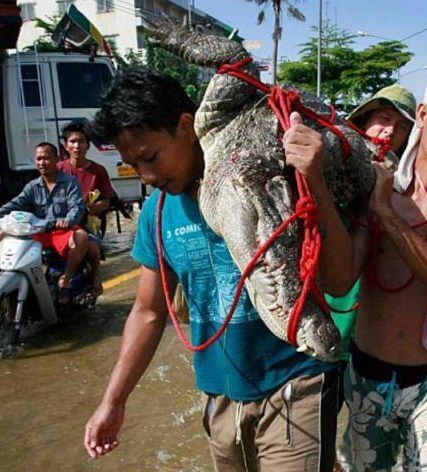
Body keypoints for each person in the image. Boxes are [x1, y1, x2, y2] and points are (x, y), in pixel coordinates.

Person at [83, 68, 339, 471]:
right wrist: (113, 401)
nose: (148, 177)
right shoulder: (156, 213)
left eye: (151, 157)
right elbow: (148, 313)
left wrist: (316, 180)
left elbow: (342, 274)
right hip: (219, 394)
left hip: (296, 380)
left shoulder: (270, 180)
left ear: (187, 126)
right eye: (135, 166)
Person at [290, 72, 427, 470]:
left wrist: (387, 214)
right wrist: (317, 184)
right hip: (366, 375)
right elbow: (338, 281)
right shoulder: (375, 189)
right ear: (423, 115)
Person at [328, 84, 416, 377]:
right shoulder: (332, 160)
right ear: (365, 120)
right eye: (385, 119)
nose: (391, 132)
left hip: (365, 303)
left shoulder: (403, 185)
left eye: (403, 127)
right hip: (328, 286)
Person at [0, 142, 87, 296]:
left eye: (46, 158)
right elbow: (17, 202)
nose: (42, 163)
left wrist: (67, 221)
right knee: (0, 235)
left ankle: (66, 277)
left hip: (62, 231)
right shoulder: (32, 185)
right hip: (39, 231)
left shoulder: (70, 182)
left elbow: (76, 208)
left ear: (56, 159)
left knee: (81, 237)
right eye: (38, 159)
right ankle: (6, 276)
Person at [58, 122, 115, 294]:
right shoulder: (58, 169)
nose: (77, 146)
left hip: (86, 223)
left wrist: (91, 207)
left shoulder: (98, 171)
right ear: (65, 145)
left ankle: (96, 277)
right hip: (61, 223)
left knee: (92, 249)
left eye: (81, 141)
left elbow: (107, 201)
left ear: (88, 145)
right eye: (73, 141)